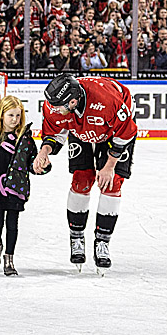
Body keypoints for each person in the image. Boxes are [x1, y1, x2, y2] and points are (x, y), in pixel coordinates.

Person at [33, 76, 137, 274]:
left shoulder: (107, 100)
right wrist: (44, 151)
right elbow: (54, 132)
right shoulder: (55, 104)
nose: (53, 109)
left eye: (58, 106)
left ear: (73, 101)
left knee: (112, 183)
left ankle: (103, 242)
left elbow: (126, 132)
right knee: (82, 180)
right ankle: (76, 236)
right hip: (81, 129)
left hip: (115, 131)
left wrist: (109, 165)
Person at [0, 95, 48, 277]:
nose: (15, 120)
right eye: (11, 115)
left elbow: (31, 164)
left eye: (18, 116)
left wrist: (41, 166)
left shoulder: (25, 139)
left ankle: (9, 258)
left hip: (16, 188)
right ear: (1, 115)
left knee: (12, 224)